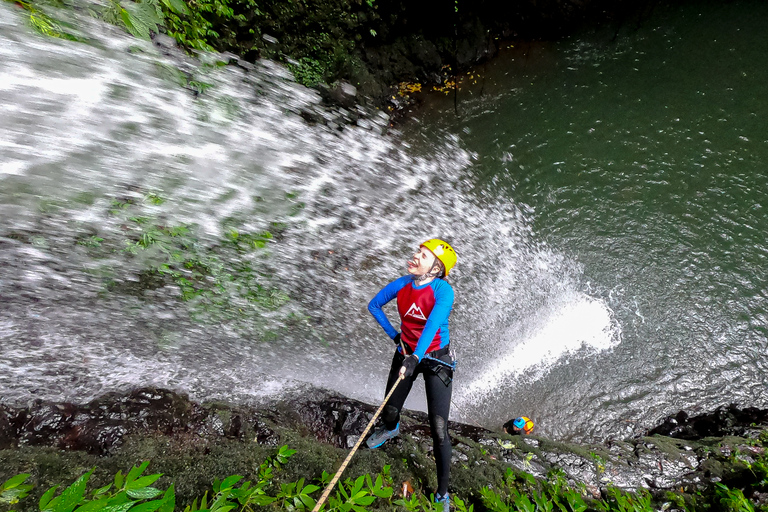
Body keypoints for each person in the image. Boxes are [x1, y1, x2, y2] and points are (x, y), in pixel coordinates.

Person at [366, 239, 457, 512]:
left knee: (439, 429)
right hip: (407, 353)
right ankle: (391, 428)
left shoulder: (443, 290)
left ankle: (442, 492)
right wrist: (396, 337)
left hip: (435, 361)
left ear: (437, 267)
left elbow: (432, 324)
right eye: (418, 251)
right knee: (390, 409)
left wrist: (415, 357)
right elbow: (374, 305)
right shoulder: (403, 283)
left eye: (424, 255)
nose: (415, 256)